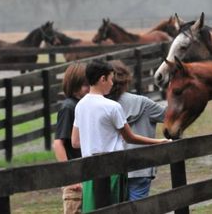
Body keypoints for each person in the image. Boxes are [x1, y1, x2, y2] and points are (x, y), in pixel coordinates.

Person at [71, 59, 169, 212]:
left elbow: (75, 142)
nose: (112, 83)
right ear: (102, 79)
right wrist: (158, 142)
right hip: (113, 169)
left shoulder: (80, 106)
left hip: (90, 171)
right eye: (110, 79)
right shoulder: (112, 107)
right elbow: (130, 137)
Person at [108, 59, 167, 201]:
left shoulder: (103, 106)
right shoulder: (143, 103)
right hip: (141, 167)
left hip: (112, 169)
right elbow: (169, 116)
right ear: (126, 80)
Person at [53, 62, 89, 214]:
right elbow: (58, 144)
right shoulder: (69, 107)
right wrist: (70, 177)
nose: (88, 89)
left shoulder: (82, 105)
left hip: (85, 175)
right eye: (85, 85)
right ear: (74, 85)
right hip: (75, 179)